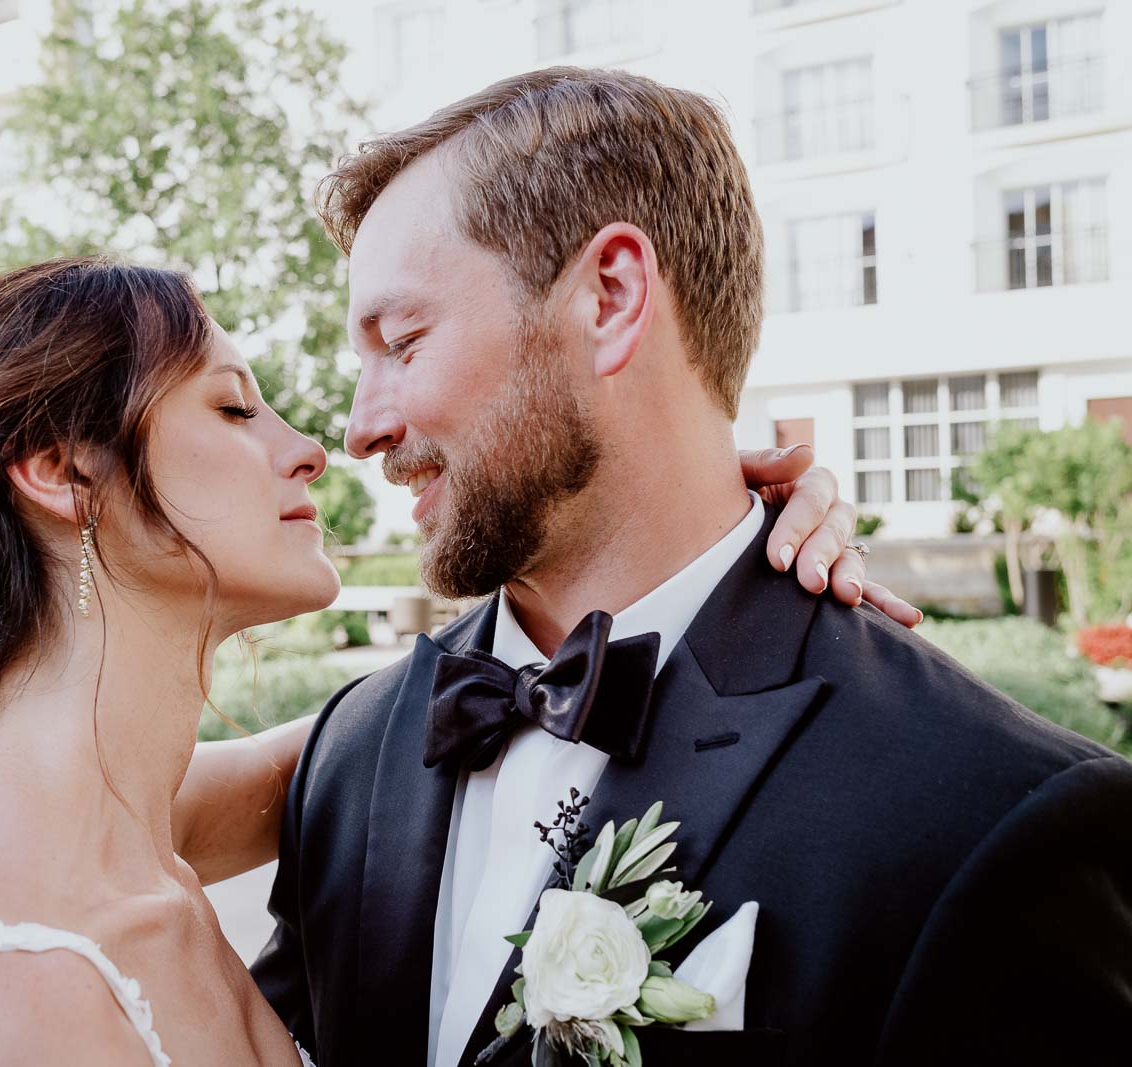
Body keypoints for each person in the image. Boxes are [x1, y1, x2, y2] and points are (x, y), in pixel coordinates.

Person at [0, 255, 888, 1067]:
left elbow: (428, 724)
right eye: (232, 407)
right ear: (60, 471)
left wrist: (700, 521)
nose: (312, 446)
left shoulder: (126, 840)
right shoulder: (5, 996)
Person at [250, 66, 1132, 1067]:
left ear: (611, 298)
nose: (361, 427)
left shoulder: (985, 816)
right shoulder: (352, 751)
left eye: (401, 340)